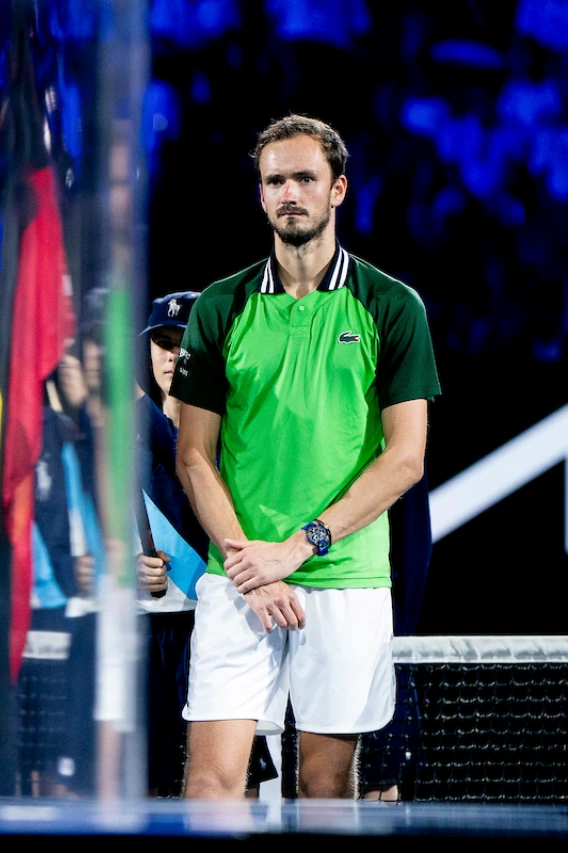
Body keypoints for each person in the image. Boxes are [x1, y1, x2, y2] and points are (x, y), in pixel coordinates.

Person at [172, 115, 439, 799]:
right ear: (261, 196)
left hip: (346, 578)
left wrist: (296, 547)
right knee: (209, 784)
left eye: (303, 178)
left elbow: (406, 458)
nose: (288, 192)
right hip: (238, 580)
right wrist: (253, 567)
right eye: (274, 181)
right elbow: (195, 456)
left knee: (326, 788)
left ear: (338, 189)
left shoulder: (393, 306)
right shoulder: (217, 309)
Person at [130, 290, 278, 798]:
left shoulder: (236, 435)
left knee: (236, 780)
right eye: (162, 344)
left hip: (223, 622)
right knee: (151, 785)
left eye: (184, 343)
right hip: (150, 634)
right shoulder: (122, 440)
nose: (172, 356)